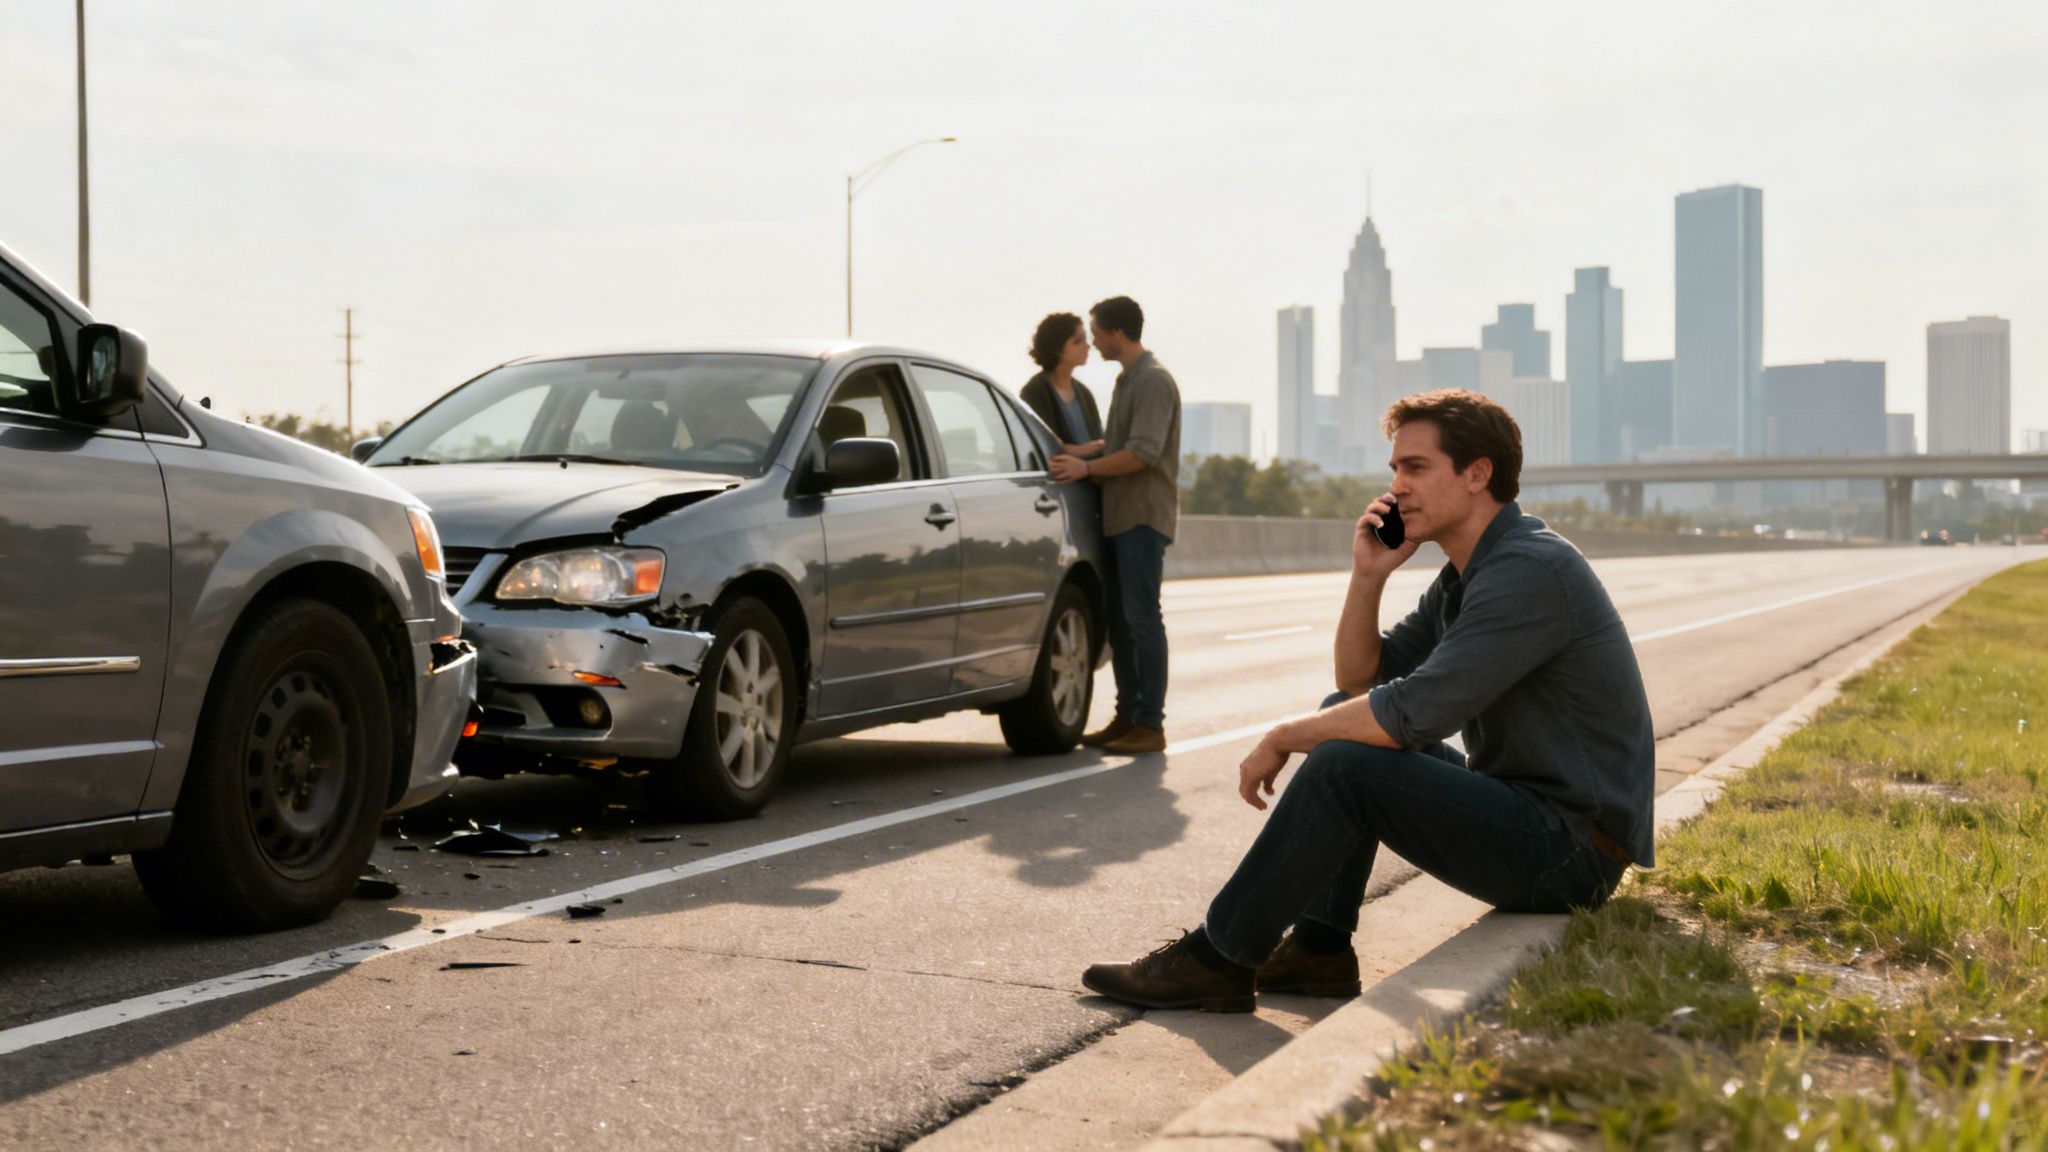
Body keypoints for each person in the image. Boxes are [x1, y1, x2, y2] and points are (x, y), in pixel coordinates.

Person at [1080, 389, 1655, 1012]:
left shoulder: (1530, 570)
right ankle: (1319, 951)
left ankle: (1217, 959)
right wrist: (1368, 576)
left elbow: (1413, 714)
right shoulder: (1468, 575)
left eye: (1416, 467)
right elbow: (1360, 681)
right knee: (1341, 723)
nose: (1398, 486)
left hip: (1570, 854)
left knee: (1343, 760)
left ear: (1477, 474)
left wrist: (1282, 736)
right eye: (1395, 470)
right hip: (1534, 817)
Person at [1050, 296, 1181, 757]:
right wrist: (1084, 451)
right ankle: (1128, 717)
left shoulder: (1152, 380)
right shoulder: (1129, 380)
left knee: (1143, 619)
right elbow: (1123, 440)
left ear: (1117, 333)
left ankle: (1150, 723)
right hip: (1121, 516)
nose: (1095, 341)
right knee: (1123, 622)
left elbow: (1143, 451)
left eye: (1097, 332)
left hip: (1142, 516)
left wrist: (1088, 470)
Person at [1019, 312, 1105, 459]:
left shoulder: (1084, 393)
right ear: (1057, 347)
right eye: (1078, 341)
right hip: (1060, 478)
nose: (1087, 346)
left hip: (1090, 475)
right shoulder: (1035, 391)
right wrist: (1080, 450)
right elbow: (1039, 444)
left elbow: (1098, 438)